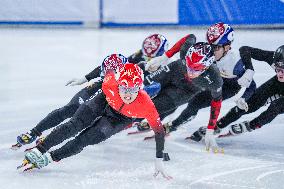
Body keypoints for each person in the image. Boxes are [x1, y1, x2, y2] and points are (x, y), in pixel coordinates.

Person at [14, 34, 168, 149]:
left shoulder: (164, 69)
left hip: (122, 102)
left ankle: (52, 138)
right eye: (146, 55)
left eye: (152, 57)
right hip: (103, 89)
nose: (149, 60)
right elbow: (111, 66)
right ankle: (35, 131)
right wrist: (87, 78)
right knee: (70, 110)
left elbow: (161, 98)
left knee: (90, 123)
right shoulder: (136, 57)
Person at [19, 63, 171, 179]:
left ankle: (51, 157)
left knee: (84, 140)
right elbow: (105, 68)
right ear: (118, 83)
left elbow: (159, 132)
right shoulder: (110, 81)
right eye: (124, 88)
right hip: (104, 100)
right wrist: (84, 79)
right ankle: (40, 149)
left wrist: (159, 159)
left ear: (140, 88)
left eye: (133, 90)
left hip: (120, 118)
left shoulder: (146, 105)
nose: (128, 94)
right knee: (74, 125)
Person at [191, 45, 284, 141]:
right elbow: (244, 49)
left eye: (283, 70)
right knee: (248, 105)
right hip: (278, 84)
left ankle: (251, 125)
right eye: (277, 69)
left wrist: (250, 125)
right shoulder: (276, 58)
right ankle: (218, 125)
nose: (279, 73)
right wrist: (249, 69)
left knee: (276, 106)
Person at [144, 41, 224, 152]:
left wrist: (210, 129)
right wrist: (163, 57)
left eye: (195, 69)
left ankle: (172, 126)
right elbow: (189, 37)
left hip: (194, 88)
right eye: (189, 65)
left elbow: (217, 101)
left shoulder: (215, 78)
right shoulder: (188, 51)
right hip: (178, 73)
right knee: (149, 88)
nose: (190, 72)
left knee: (192, 105)